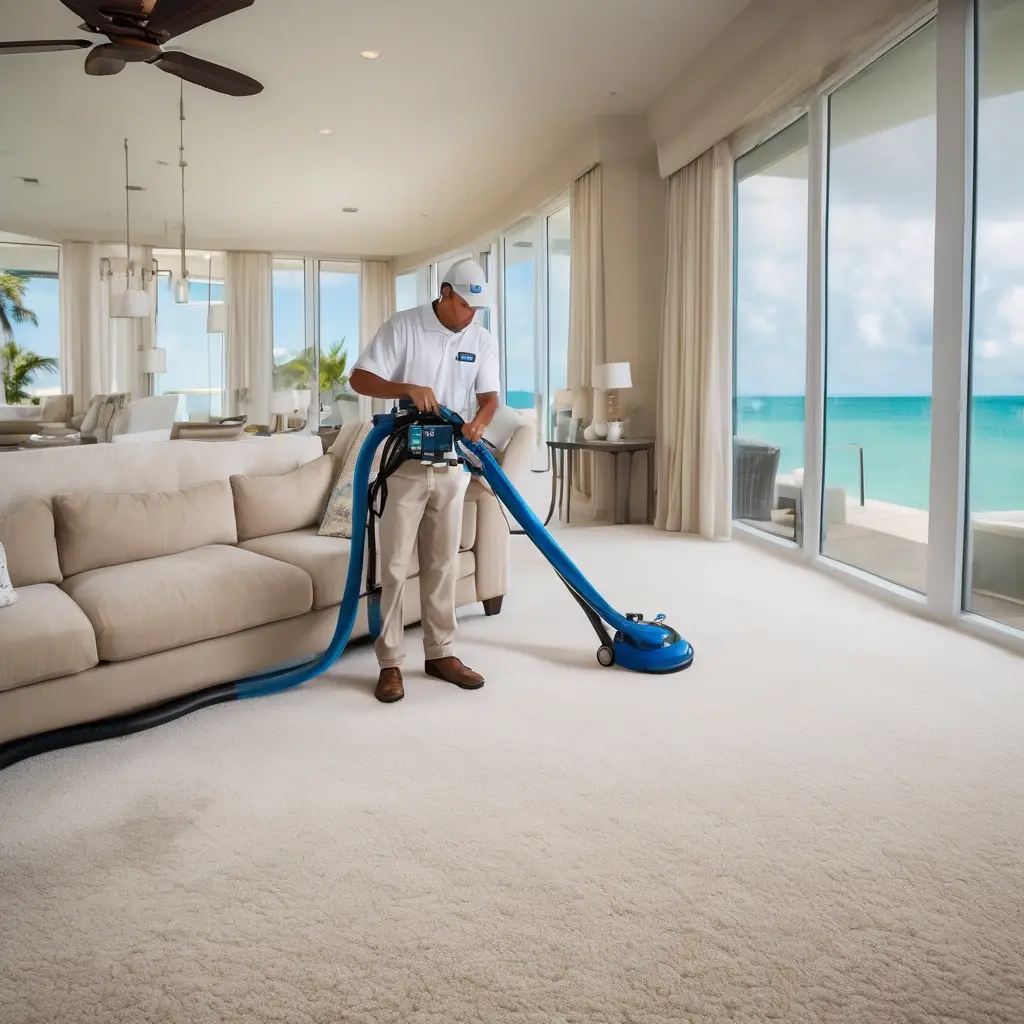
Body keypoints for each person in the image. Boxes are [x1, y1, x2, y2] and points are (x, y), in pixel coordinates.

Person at [349, 259, 500, 704]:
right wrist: (406, 388)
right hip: (405, 462)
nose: (471, 315)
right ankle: (390, 662)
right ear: (446, 292)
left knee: (443, 563)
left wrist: (479, 422)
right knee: (395, 566)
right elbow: (359, 378)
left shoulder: (481, 339)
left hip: (451, 462)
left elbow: (490, 397)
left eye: (477, 308)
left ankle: (441, 654)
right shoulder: (404, 326)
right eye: (466, 305)